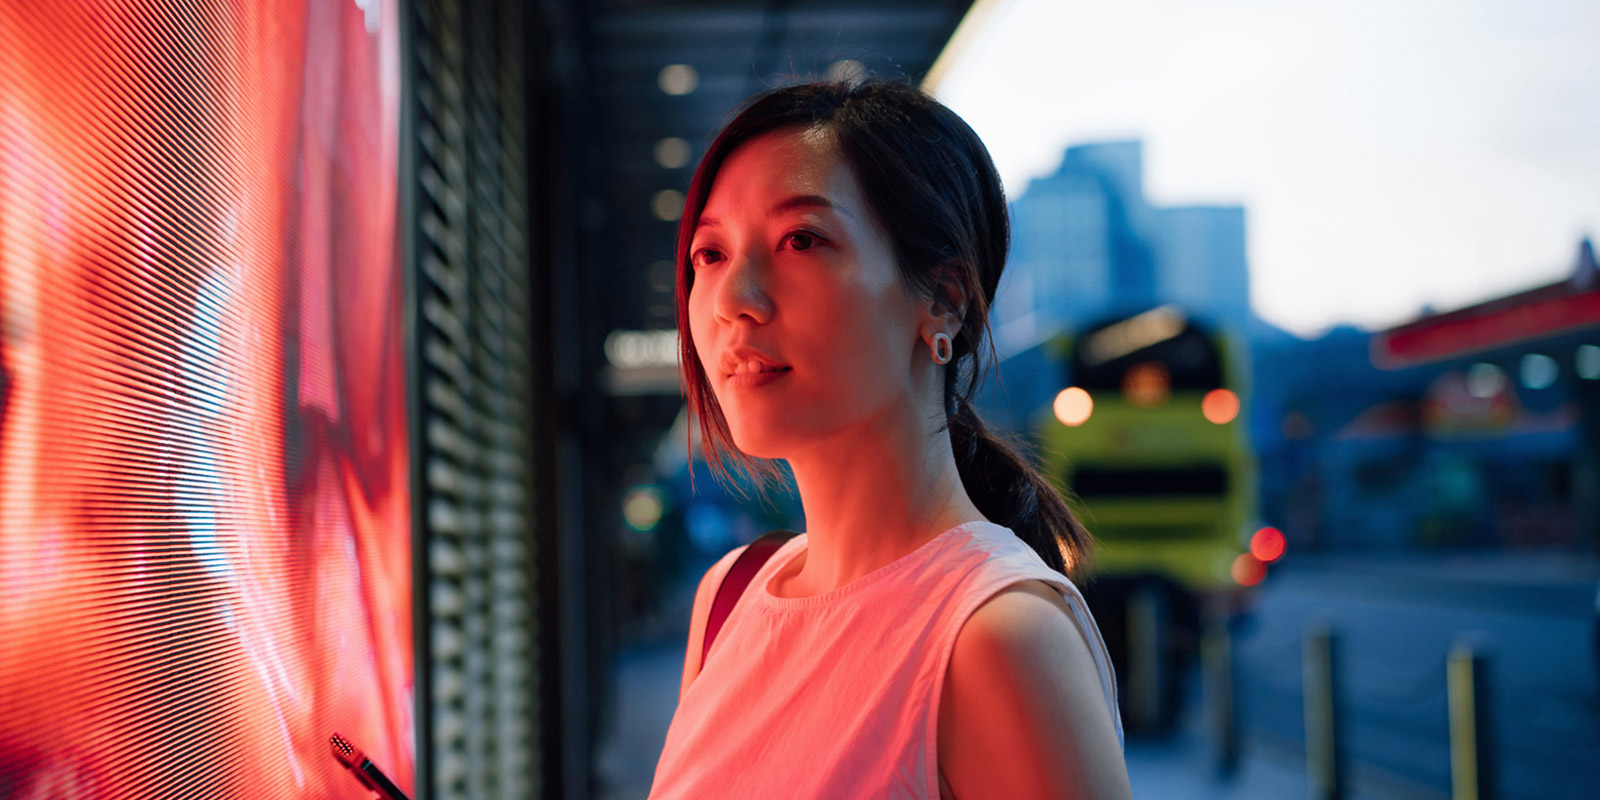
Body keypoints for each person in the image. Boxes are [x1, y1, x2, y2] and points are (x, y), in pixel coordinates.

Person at [648, 77, 1130, 799]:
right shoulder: (730, 598)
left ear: (941, 300)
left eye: (800, 240)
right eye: (710, 255)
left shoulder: (996, 637)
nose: (735, 301)